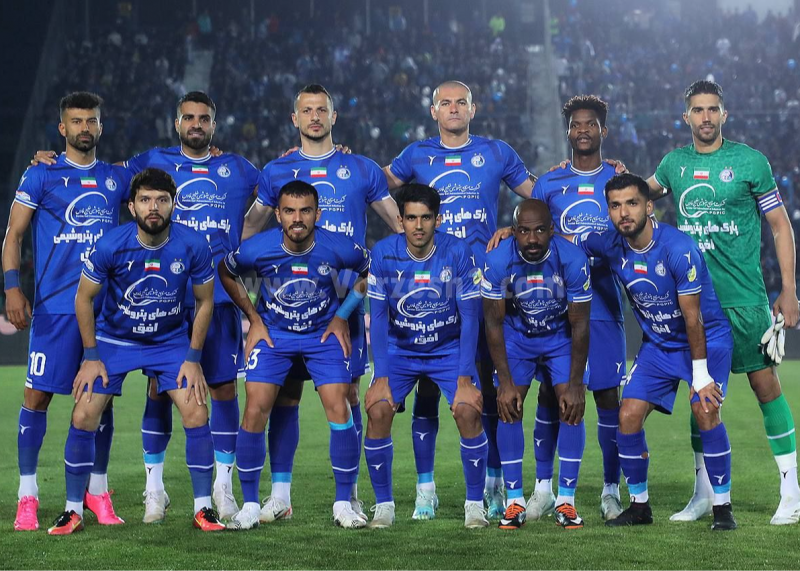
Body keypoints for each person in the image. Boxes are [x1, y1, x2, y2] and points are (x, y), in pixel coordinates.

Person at [31, 91, 259, 522]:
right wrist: (55, 161)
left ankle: (215, 495)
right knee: (124, 402)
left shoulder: (234, 172)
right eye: (188, 117)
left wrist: (192, 358)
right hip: (130, 331)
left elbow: (277, 195)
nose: (196, 124)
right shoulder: (144, 174)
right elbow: (98, 173)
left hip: (195, 317)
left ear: (213, 125)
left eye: (204, 118)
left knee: (213, 396)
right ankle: (119, 497)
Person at [240, 83, 401, 523]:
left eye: (322, 110)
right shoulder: (276, 171)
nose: (315, 117)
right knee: (284, 396)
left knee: (347, 394)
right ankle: (280, 496)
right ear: (295, 119)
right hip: (288, 302)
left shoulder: (361, 168)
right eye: (307, 110)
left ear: (334, 116)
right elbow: (249, 230)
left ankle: (349, 496)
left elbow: (399, 224)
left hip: (345, 300)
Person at [647, 80, 800, 525]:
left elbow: (780, 225)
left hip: (744, 299)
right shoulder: (674, 165)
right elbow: (636, 193)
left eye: (713, 109)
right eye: (698, 110)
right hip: (694, 305)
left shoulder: (750, 162)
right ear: (686, 117)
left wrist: (789, 289)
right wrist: (601, 171)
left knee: (765, 386)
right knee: (701, 395)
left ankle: (791, 490)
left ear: (724, 115)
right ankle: (703, 494)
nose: (706, 117)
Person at [383, 80, 535, 519]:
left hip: (482, 286)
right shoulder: (416, 155)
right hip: (429, 284)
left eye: (461, 102)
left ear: (473, 108)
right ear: (433, 111)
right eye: (445, 103)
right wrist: (334, 157)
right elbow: (372, 185)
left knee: (485, 386)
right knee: (426, 390)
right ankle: (425, 490)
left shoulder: (496, 152)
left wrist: (515, 225)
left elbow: (540, 194)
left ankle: (492, 485)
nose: (453, 108)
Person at [48, 167, 224, 535]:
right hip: (116, 341)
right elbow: (83, 298)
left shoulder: (193, 245)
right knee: (84, 413)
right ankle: (72, 510)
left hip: (169, 342)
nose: (153, 207)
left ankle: (204, 508)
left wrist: (193, 358)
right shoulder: (111, 244)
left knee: (196, 410)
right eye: (145, 200)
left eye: (161, 200)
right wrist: (91, 356)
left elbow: (205, 301)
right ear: (132, 207)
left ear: (174, 205)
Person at [572, 173, 736, 531]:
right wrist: (514, 232)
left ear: (649, 206)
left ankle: (722, 507)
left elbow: (693, 319)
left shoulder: (678, 249)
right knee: (627, 416)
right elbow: (565, 241)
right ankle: (640, 506)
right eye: (615, 205)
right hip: (659, 345)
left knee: (705, 408)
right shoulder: (610, 244)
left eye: (632, 203)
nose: (623, 213)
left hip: (705, 341)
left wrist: (701, 376)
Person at [3, 92, 130, 531]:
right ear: (62, 128)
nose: (84, 128)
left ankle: (97, 491)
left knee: (101, 402)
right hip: (55, 309)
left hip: (105, 312)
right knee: (36, 397)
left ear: (100, 126)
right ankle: (28, 496)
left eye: (91, 121)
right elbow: (13, 234)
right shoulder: (41, 174)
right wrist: (12, 288)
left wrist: (208, 153)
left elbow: (165, 172)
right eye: (76, 121)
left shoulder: (115, 178)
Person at [219, 181, 372, 530]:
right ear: (278, 214)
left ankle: (343, 503)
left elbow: (367, 270)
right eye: (289, 211)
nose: (297, 218)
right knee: (255, 409)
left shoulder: (337, 246)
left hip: (322, 336)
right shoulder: (257, 248)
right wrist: (253, 317)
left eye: (305, 211)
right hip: (275, 337)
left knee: (340, 406)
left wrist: (342, 314)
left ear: (318, 214)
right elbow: (226, 272)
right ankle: (250, 505)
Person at [363, 184, 488, 529]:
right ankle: (384, 506)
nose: (418, 226)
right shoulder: (383, 254)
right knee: (377, 409)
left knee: (467, 409)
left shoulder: (458, 252)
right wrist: (381, 376)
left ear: (438, 220)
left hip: (447, 348)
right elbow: (379, 318)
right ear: (400, 220)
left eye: (426, 218)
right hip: (401, 350)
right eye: (411, 218)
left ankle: (474, 505)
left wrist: (465, 378)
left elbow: (470, 317)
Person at [525, 95, 626, 521]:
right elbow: (528, 236)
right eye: (576, 125)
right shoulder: (549, 184)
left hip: (603, 303)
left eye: (590, 124)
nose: (583, 130)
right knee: (551, 392)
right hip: (555, 307)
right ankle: (543, 488)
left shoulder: (620, 180)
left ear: (604, 130)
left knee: (606, 396)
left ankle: (610, 490)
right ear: (567, 131)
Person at [482, 199, 591, 530]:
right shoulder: (497, 260)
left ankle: (566, 502)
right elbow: (493, 324)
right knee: (509, 406)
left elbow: (580, 326)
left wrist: (576, 385)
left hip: (560, 337)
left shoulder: (573, 259)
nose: (532, 239)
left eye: (540, 230)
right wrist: (504, 383)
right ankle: (514, 501)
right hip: (518, 337)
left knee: (571, 407)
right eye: (525, 231)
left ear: (552, 230)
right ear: (514, 231)